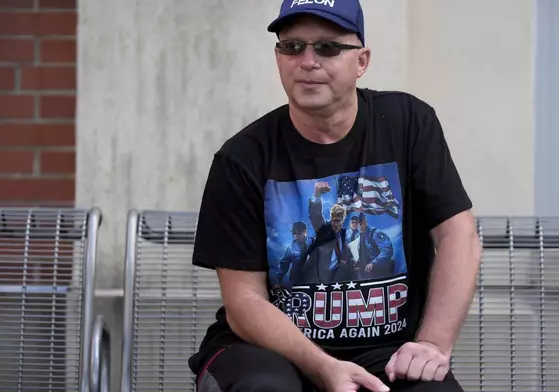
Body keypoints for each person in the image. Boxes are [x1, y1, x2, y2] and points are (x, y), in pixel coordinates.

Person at [189, 0, 482, 391]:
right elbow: (245, 302)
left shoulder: (408, 124)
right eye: (291, 47)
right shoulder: (243, 158)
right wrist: (324, 367)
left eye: (327, 47)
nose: (307, 61)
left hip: (387, 350)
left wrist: (431, 344)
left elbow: (457, 235)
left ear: (361, 61)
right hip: (267, 351)